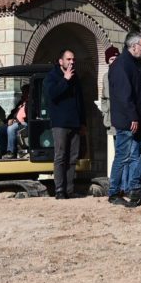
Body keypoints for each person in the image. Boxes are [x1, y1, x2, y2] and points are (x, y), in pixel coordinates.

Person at [107, 32, 141, 207]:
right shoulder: (121, 65)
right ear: (134, 45)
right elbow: (124, 95)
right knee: (123, 156)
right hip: (128, 120)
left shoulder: (133, 64)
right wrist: (133, 117)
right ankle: (114, 192)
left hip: (136, 118)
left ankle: (135, 185)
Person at [44, 49, 84, 199]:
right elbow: (52, 95)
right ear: (61, 61)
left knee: (73, 158)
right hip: (60, 124)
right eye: (68, 59)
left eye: (73, 59)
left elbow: (80, 101)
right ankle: (59, 190)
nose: (71, 62)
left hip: (75, 123)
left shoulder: (75, 77)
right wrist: (65, 80)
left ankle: (69, 189)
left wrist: (83, 123)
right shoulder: (52, 77)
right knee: (60, 156)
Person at [96, 46, 121, 185]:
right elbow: (104, 98)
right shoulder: (105, 77)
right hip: (112, 121)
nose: (114, 61)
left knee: (125, 153)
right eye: (111, 59)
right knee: (118, 153)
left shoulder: (123, 73)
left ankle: (121, 183)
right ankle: (116, 184)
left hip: (124, 119)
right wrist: (106, 114)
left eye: (116, 58)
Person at [0, 84, 29, 159]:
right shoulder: (21, 102)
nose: (23, 93)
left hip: (26, 123)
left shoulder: (31, 102)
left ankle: (11, 152)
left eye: (24, 92)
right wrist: (7, 121)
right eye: (22, 92)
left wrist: (15, 121)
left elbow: (30, 115)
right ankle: (3, 151)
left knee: (11, 129)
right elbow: (13, 113)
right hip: (16, 122)